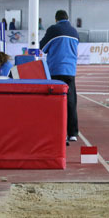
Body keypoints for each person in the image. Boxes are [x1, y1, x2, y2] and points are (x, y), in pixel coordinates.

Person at [39, 9, 80, 143]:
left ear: (56, 19)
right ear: (67, 18)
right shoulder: (74, 32)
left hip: (56, 70)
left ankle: (58, 132)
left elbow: (42, 47)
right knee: (71, 102)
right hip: (70, 71)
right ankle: (72, 133)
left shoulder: (53, 29)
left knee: (57, 102)